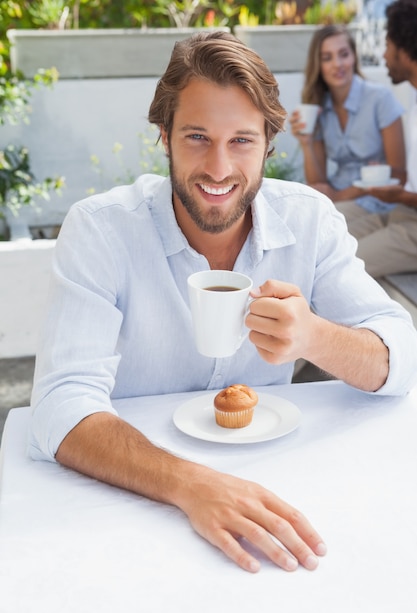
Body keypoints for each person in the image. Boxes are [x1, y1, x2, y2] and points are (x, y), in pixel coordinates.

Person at [30, 31, 417, 574]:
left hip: (276, 487)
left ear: (268, 145)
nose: (217, 168)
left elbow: (401, 354)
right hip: (128, 498)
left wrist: (314, 336)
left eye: (241, 141)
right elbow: (59, 404)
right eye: (196, 137)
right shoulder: (102, 231)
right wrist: (194, 485)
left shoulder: (308, 221)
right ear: (163, 136)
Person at [289, 23, 407, 268]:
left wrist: (340, 195)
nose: (337, 64)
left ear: (354, 56)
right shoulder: (318, 106)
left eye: (344, 54)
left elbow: (398, 174)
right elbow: (317, 181)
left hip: (376, 202)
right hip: (339, 201)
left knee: (321, 249)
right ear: (318, 65)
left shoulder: (379, 99)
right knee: (303, 236)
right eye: (327, 58)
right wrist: (307, 143)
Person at [335, 0, 417, 277]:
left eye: (387, 46)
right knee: (325, 241)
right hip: (403, 212)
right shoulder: (414, 103)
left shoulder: (387, 100)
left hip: (411, 224)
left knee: (342, 267)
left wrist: (401, 194)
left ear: (405, 49)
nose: (383, 56)